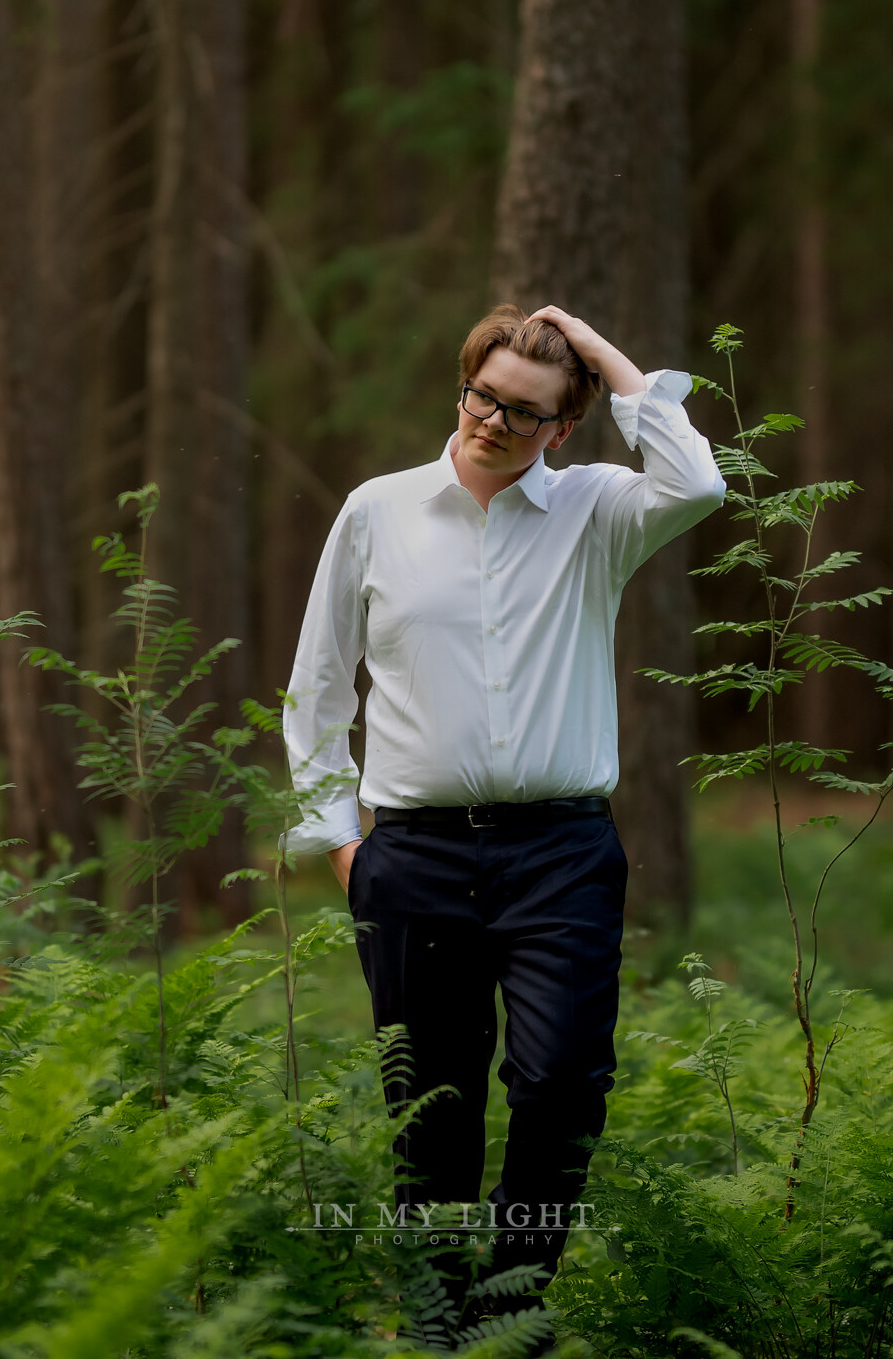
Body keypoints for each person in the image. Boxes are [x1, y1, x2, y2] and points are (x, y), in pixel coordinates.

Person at [281, 302, 724, 1320]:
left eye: (524, 412)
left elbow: (698, 482)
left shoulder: (598, 511)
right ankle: (437, 1323)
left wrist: (601, 353)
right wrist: (341, 842)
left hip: (561, 853)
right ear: (463, 386)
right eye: (482, 396)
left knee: (562, 1084)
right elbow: (318, 686)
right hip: (412, 859)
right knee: (430, 1105)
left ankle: (511, 1313)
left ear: (561, 428)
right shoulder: (377, 511)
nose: (492, 421)